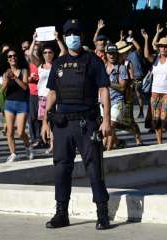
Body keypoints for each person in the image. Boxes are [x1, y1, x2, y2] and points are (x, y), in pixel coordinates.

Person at [41, 19, 111, 230]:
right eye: (69, 33)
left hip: (86, 123)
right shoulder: (59, 63)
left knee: (94, 168)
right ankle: (61, 213)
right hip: (62, 125)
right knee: (61, 168)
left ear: (81, 36)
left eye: (76, 33)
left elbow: (104, 90)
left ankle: (102, 214)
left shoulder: (92, 61)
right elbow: (52, 93)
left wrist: (106, 120)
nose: (73, 36)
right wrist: (45, 120)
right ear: (64, 37)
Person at [29, 31, 67, 154]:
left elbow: (63, 52)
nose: (47, 54)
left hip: (55, 96)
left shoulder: (56, 64)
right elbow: (30, 54)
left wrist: (57, 39)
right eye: (45, 52)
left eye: (50, 52)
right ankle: (51, 144)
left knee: (54, 122)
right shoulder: (40, 65)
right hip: (42, 97)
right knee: (46, 123)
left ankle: (53, 145)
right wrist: (34, 39)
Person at [105, 42, 143, 150]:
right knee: (116, 123)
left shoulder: (126, 64)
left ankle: (137, 138)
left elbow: (130, 79)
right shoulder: (105, 65)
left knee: (128, 120)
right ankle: (117, 142)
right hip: (110, 98)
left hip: (125, 96)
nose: (113, 55)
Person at [0, 47, 34, 163]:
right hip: (9, 103)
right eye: (10, 56)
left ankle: (28, 146)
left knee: (21, 131)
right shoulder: (5, 73)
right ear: (7, 60)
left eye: (14, 56)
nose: (12, 58)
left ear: (17, 58)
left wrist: (14, 78)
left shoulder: (23, 70)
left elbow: (24, 87)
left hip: (22, 104)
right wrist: (7, 81)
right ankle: (13, 153)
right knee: (9, 131)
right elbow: (1, 91)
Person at [143, 27, 167, 144]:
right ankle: (159, 141)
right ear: (158, 48)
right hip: (155, 91)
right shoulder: (156, 59)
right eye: (161, 46)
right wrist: (146, 39)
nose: (163, 48)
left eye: (165, 46)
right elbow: (146, 55)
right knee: (156, 118)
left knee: (165, 116)